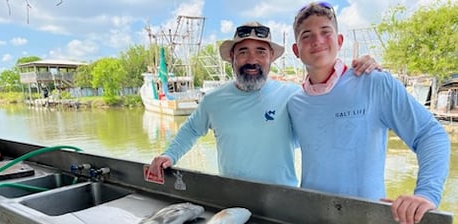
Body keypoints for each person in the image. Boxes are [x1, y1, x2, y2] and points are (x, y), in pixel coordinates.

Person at [148, 21, 379, 186]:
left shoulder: (294, 95)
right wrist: (170, 155)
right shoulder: (213, 100)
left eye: (260, 52)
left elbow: (332, 104)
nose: (252, 60)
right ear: (232, 58)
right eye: (243, 52)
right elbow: (190, 129)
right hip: (231, 197)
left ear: (271, 58)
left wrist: (358, 72)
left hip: (284, 202)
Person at [288, 2, 451, 224]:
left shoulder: (374, 82)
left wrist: (427, 193)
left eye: (326, 32)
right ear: (296, 51)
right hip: (312, 222)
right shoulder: (295, 103)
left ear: (339, 40)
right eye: (307, 35)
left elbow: (430, 134)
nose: (317, 41)